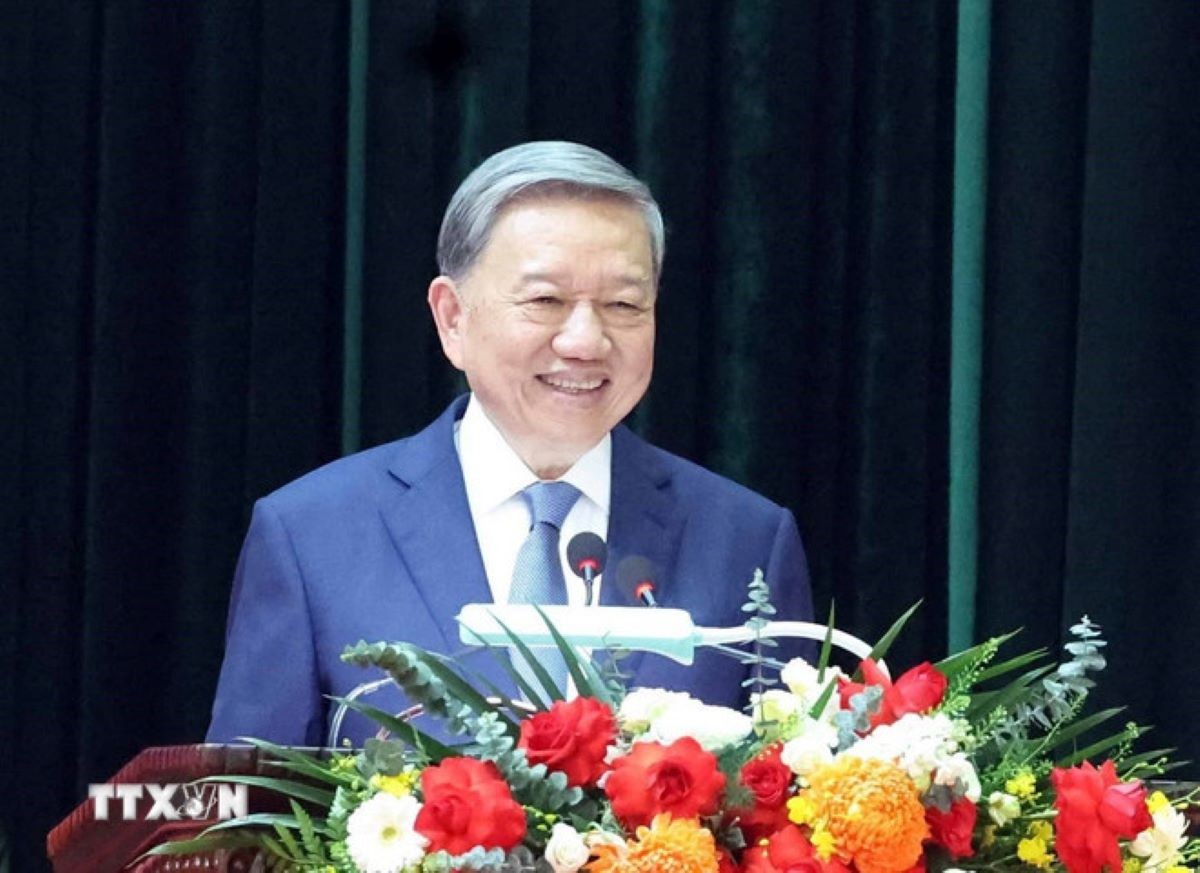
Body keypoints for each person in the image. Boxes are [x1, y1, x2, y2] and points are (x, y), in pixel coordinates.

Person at [206, 141, 813, 746]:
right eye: (546, 300)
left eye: (623, 304)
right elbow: (242, 795)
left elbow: (789, 788)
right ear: (452, 318)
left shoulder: (747, 542)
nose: (585, 341)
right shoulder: (312, 536)